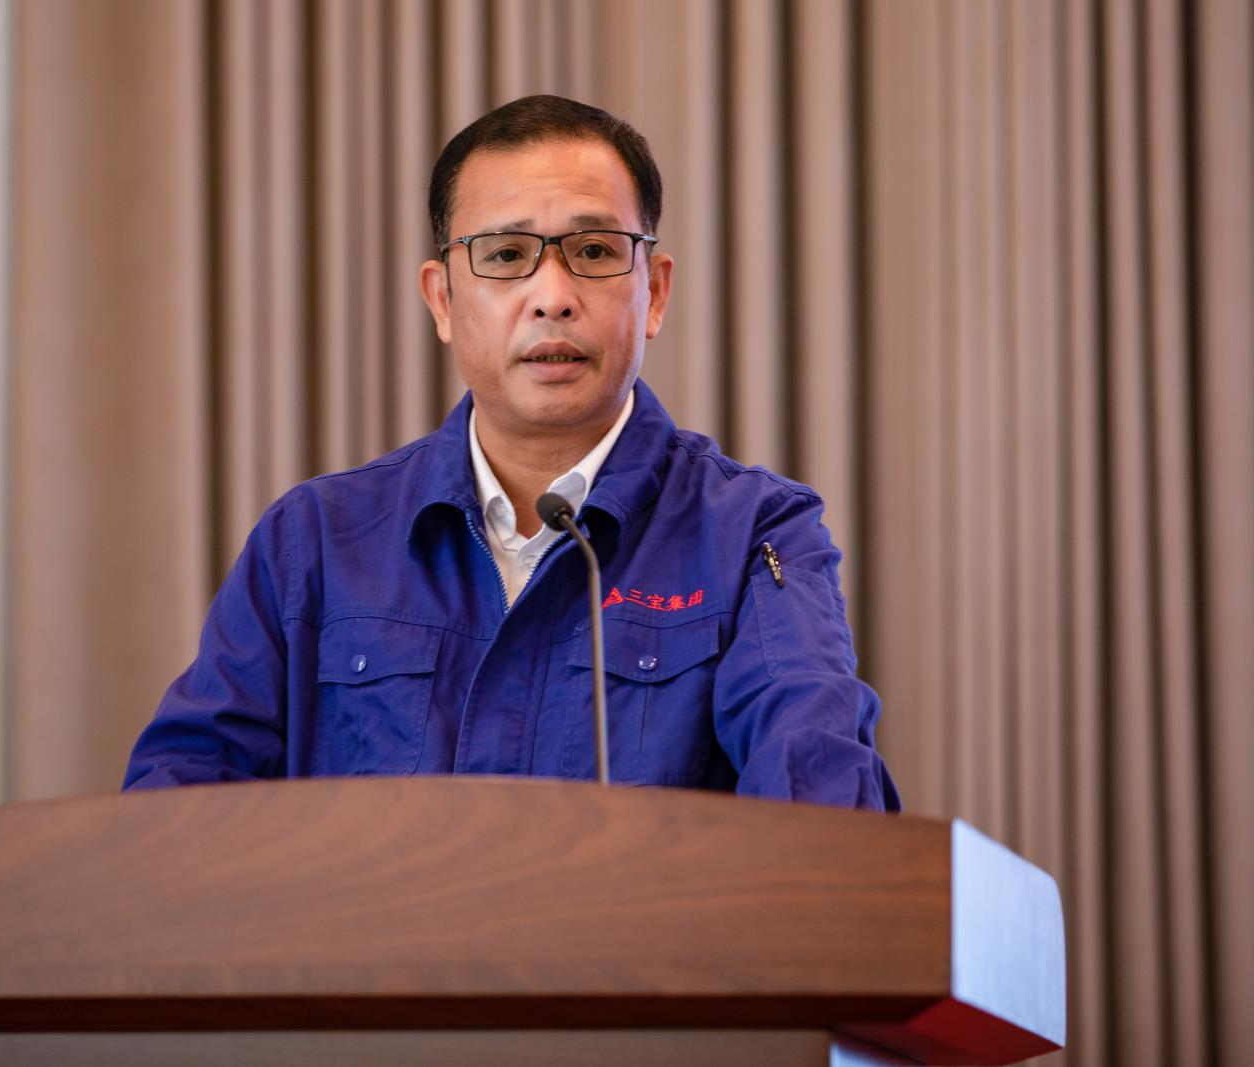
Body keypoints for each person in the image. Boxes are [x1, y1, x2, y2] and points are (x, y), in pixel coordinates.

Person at [124, 95, 898, 810]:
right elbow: (175, 810)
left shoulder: (754, 533)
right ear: (442, 299)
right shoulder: (317, 541)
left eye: (594, 250)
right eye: (504, 255)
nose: (552, 295)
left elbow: (821, 804)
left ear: (654, 293)